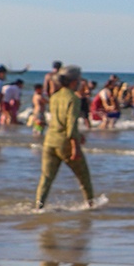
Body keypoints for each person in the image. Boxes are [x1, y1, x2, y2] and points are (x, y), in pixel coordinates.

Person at [35, 65, 96, 209]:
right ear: (74, 81)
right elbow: (71, 124)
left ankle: (38, 207)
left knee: (46, 178)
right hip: (65, 143)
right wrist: (76, 147)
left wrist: (78, 135)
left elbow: (58, 120)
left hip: (50, 140)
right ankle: (91, 205)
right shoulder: (73, 98)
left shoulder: (54, 96)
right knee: (84, 177)